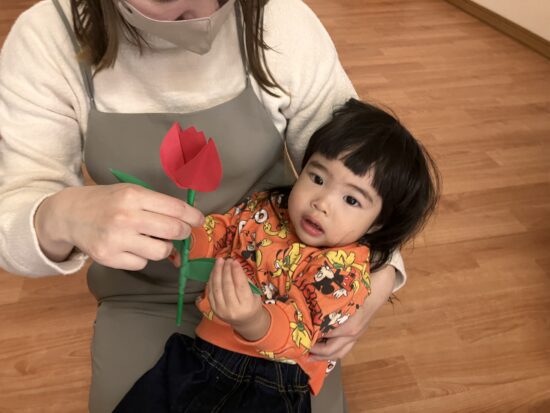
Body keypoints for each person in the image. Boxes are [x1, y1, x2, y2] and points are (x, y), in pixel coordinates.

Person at [0, 0, 406, 411]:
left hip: (283, 305)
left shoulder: (282, 20)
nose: (204, 11)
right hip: (143, 295)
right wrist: (60, 215)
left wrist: (382, 273)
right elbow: (15, 210)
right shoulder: (48, 36)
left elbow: (366, 170)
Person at [114, 98, 440, 412]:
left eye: (351, 200)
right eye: (317, 178)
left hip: (274, 380)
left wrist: (254, 320)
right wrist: (188, 242)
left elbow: (301, 329)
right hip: (201, 353)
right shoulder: (268, 208)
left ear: (378, 223)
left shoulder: (346, 272)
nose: (322, 202)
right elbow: (223, 231)